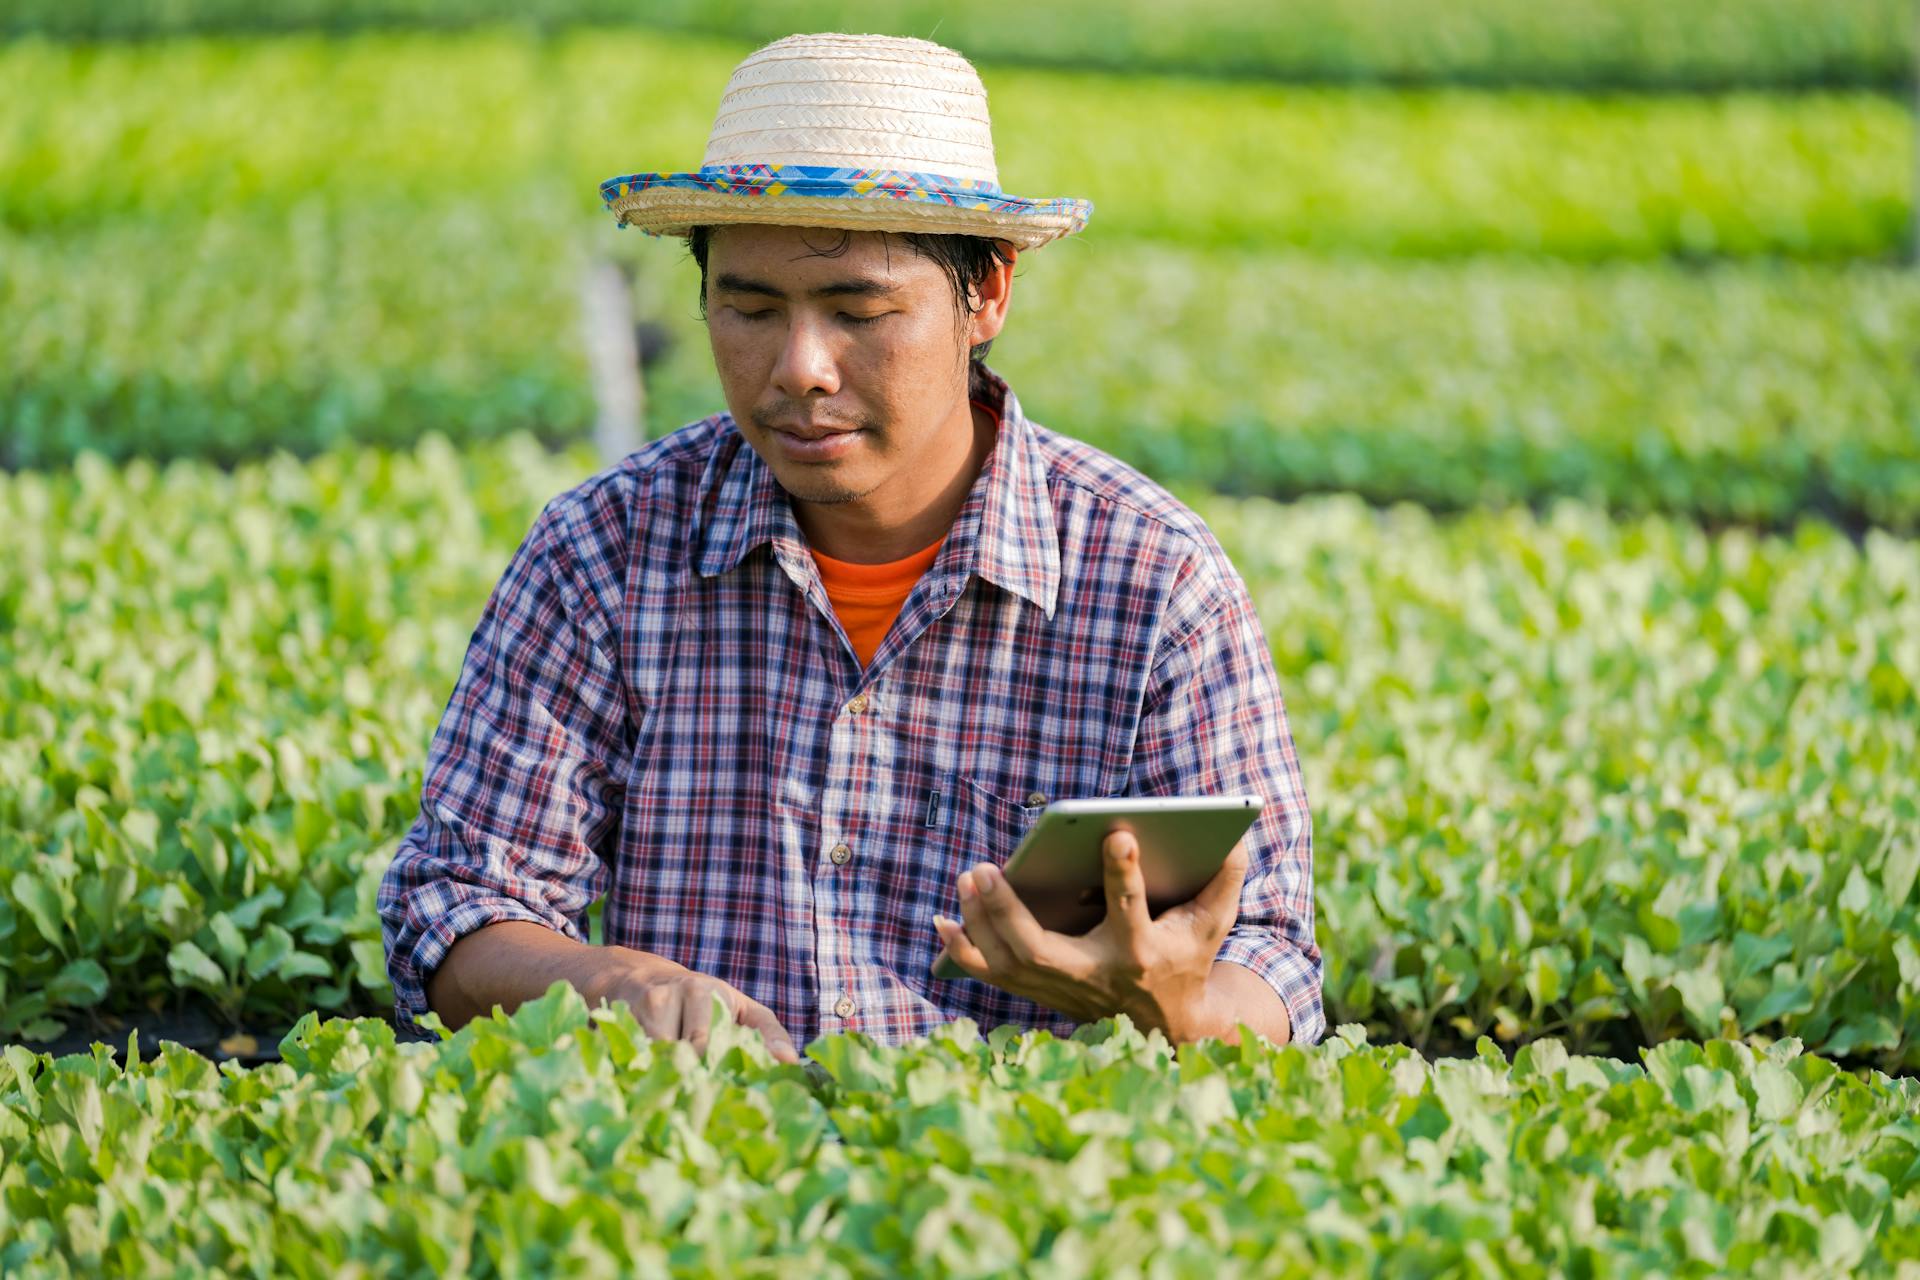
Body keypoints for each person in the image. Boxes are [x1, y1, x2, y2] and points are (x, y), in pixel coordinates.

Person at [377, 31, 1322, 1064]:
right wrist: (616, 980)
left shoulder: (1157, 585)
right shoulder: (600, 556)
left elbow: (1273, 967)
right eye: (748, 307)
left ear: (988, 294)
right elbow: (457, 905)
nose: (800, 368)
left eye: (858, 310)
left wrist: (1164, 1000)